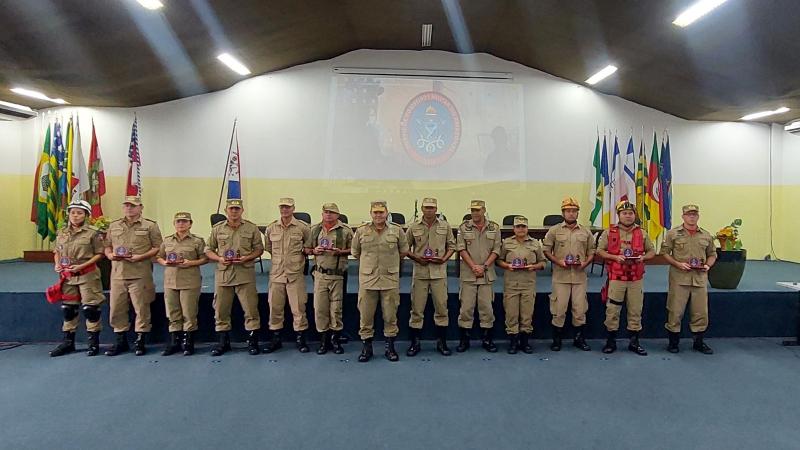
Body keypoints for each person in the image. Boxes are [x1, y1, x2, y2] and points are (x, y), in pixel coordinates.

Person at [103, 196, 162, 356]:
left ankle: (140, 341)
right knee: (116, 308)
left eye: (133, 206)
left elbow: (158, 247)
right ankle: (120, 341)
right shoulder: (114, 225)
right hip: (118, 274)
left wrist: (141, 256)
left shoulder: (150, 225)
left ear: (140, 208)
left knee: (141, 308)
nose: (129, 208)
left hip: (139, 273)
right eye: (127, 205)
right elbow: (107, 246)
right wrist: (109, 255)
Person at [350, 201, 409, 362]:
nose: (378, 215)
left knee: (390, 315)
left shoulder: (396, 230)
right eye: (375, 212)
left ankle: (390, 347)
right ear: (370, 213)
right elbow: (355, 252)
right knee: (366, 316)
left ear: (386, 213)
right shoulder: (362, 231)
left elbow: (404, 251)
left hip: (389, 279)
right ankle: (366, 347)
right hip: (368, 280)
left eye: (381, 212)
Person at [204, 198, 264, 356]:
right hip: (224, 274)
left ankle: (252, 341)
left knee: (251, 309)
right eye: (231, 209)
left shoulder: (251, 228)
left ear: (242, 211)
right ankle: (223, 342)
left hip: (245, 273)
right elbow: (208, 249)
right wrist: (219, 258)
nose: (234, 211)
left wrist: (248, 257)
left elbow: (259, 249)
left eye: (237, 209)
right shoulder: (218, 229)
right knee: (221, 310)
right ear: (226, 211)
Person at [595, 201, 655, 355]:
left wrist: (643, 258)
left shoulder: (642, 233)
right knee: (612, 309)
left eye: (631, 213)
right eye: (624, 213)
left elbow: (651, 252)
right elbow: (599, 251)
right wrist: (614, 257)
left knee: (635, 310)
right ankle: (611, 341)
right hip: (617, 277)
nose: (628, 216)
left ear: (635, 215)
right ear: (619, 215)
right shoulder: (609, 232)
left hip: (635, 278)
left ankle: (634, 342)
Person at [49, 199, 106, 357]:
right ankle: (68, 342)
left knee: (91, 309)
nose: (75, 216)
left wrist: (81, 266)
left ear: (86, 215)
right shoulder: (62, 232)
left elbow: (99, 254)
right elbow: (57, 252)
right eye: (72, 212)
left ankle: (93, 343)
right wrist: (57, 264)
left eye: (79, 213)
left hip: (87, 275)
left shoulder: (93, 233)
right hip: (68, 277)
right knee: (68, 309)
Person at [660, 204, 717, 354]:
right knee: (675, 311)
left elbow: (712, 254)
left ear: (698, 216)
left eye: (694, 214)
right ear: (683, 216)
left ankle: (698, 342)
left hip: (699, 279)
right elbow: (665, 253)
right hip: (679, 278)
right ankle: (673, 342)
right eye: (688, 214)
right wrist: (677, 264)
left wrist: (708, 266)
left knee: (700, 312)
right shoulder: (673, 234)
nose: (691, 217)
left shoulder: (706, 235)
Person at [542, 197, 596, 352]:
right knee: (559, 309)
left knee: (580, 309)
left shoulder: (585, 231)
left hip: (579, 277)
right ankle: (556, 340)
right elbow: (546, 250)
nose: (571, 214)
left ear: (578, 213)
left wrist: (586, 263)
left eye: (574, 211)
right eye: (568, 211)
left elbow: (592, 250)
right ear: (563, 213)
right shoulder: (554, 230)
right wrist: (558, 262)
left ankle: (579, 339)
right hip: (561, 276)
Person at [404, 197, 455, 356]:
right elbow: (405, 248)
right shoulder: (413, 227)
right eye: (426, 207)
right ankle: (415, 343)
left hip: (439, 273)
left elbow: (452, 245)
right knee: (417, 309)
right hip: (420, 273)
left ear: (436, 208)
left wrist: (444, 259)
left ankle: (442, 342)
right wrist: (416, 258)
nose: (429, 210)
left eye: (432, 208)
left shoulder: (445, 226)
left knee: (441, 308)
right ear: (421, 209)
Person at [263, 197, 313, 353]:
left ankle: (300, 338)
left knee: (298, 307)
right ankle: (275, 338)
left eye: (288, 207)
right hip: (277, 274)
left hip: (295, 274)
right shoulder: (271, 228)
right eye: (282, 207)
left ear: (293, 208)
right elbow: (269, 248)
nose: (285, 210)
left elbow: (308, 246)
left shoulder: (302, 228)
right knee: (275, 307)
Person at [155, 212, 207, 356]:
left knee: (189, 313)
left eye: (184, 221)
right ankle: (174, 341)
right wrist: (164, 262)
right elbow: (159, 256)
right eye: (178, 221)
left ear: (190, 223)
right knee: (172, 312)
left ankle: (188, 342)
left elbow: (205, 258)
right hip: (171, 281)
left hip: (190, 280)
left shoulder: (197, 241)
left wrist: (191, 263)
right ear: (174, 224)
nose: (181, 224)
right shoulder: (167, 241)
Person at [305, 202, 353, 355]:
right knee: (320, 308)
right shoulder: (315, 230)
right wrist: (314, 250)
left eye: (332, 212)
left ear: (338, 215)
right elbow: (305, 249)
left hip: (337, 275)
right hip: (320, 275)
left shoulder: (345, 231)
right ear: (322, 214)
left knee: (336, 309)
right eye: (326, 212)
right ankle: (323, 340)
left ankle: (335, 339)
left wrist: (340, 252)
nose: (329, 215)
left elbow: (355, 250)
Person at [455, 200, 502, 353]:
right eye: (472, 210)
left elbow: (496, 249)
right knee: (466, 309)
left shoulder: (494, 228)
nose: (475, 213)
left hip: (486, 275)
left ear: (484, 210)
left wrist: (484, 266)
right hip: (469, 274)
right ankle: (464, 339)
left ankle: (487, 339)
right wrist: (474, 266)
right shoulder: (463, 227)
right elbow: (461, 249)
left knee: (487, 308)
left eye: (478, 210)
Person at [496, 216, 546, 354]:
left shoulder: (535, 243)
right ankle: (513, 342)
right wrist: (507, 265)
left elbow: (543, 262)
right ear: (514, 228)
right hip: (511, 284)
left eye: (523, 226)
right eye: (518, 227)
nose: (521, 229)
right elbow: (498, 260)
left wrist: (534, 266)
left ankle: (525, 342)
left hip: (528, 284)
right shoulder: (506, 243)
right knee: (511, 314)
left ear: (527, 228)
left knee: (527, 314)